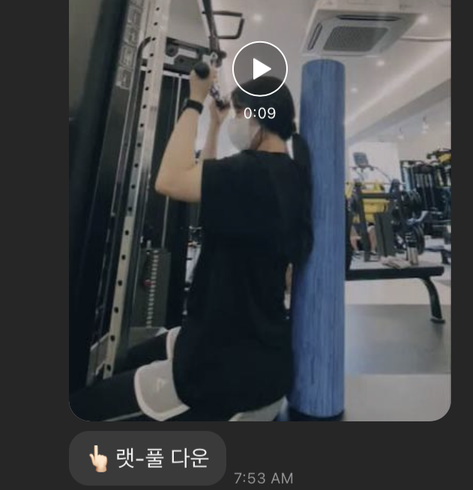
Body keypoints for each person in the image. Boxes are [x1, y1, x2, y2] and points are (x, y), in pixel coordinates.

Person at [70, 67, 313, 421]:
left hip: (221, 367)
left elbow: (168, 180)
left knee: (81, 409)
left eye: (241, 112)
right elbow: (212, 185)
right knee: (130, 358)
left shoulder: (250, 171)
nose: (237, 121)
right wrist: (215, 125)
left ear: (259, 116)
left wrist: (194, 101)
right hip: (254, 349)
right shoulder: (286, 175)